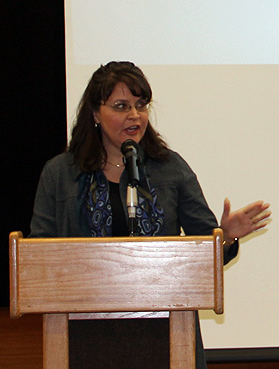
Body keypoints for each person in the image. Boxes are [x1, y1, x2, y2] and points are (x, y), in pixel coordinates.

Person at [29, 61, 271, 369]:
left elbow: (206, 251)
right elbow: (38, 255)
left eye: (141, 105)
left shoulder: (170, 168)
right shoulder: (60, 173)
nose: (134, 115)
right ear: (94, 114)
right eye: (121, 106)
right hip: (85, 333)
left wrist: (225, 236)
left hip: (165, 333)